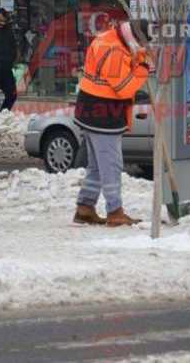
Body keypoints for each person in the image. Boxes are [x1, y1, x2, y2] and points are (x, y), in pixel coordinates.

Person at [72, 20, 151, 227]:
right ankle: (115, 211)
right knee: (111, 165)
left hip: (90, 109)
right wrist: (143, 69)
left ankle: (85, 208)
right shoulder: (115, 50)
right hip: (103, 114)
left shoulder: (107, 38)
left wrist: (138, 58)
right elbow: (124, 88)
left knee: (97, 165)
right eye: (141, 44)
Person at [0, 8, 19, 113]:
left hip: (6, 68)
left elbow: (13, 47)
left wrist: (12, 60)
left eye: (4, 21)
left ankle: (2, 113)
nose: (2, 23)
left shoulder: (8, 31)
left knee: (12, 94)